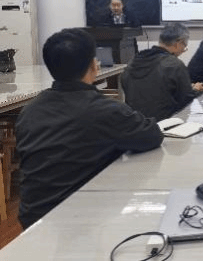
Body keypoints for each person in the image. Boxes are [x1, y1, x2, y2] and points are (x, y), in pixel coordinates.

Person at [15, 28, 163, 229]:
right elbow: (152, 135)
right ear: (94, 65)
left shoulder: (30, 110)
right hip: (78, 217)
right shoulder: (105, 111)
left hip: (31, 217)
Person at [121, 23, 203, 121]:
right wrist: (195, 90)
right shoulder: (175, 64)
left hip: (136, 123)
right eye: (184, 46)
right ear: (178, 43)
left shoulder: (133, 62)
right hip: (166, 123)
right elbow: (186, 100)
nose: (183, 50)